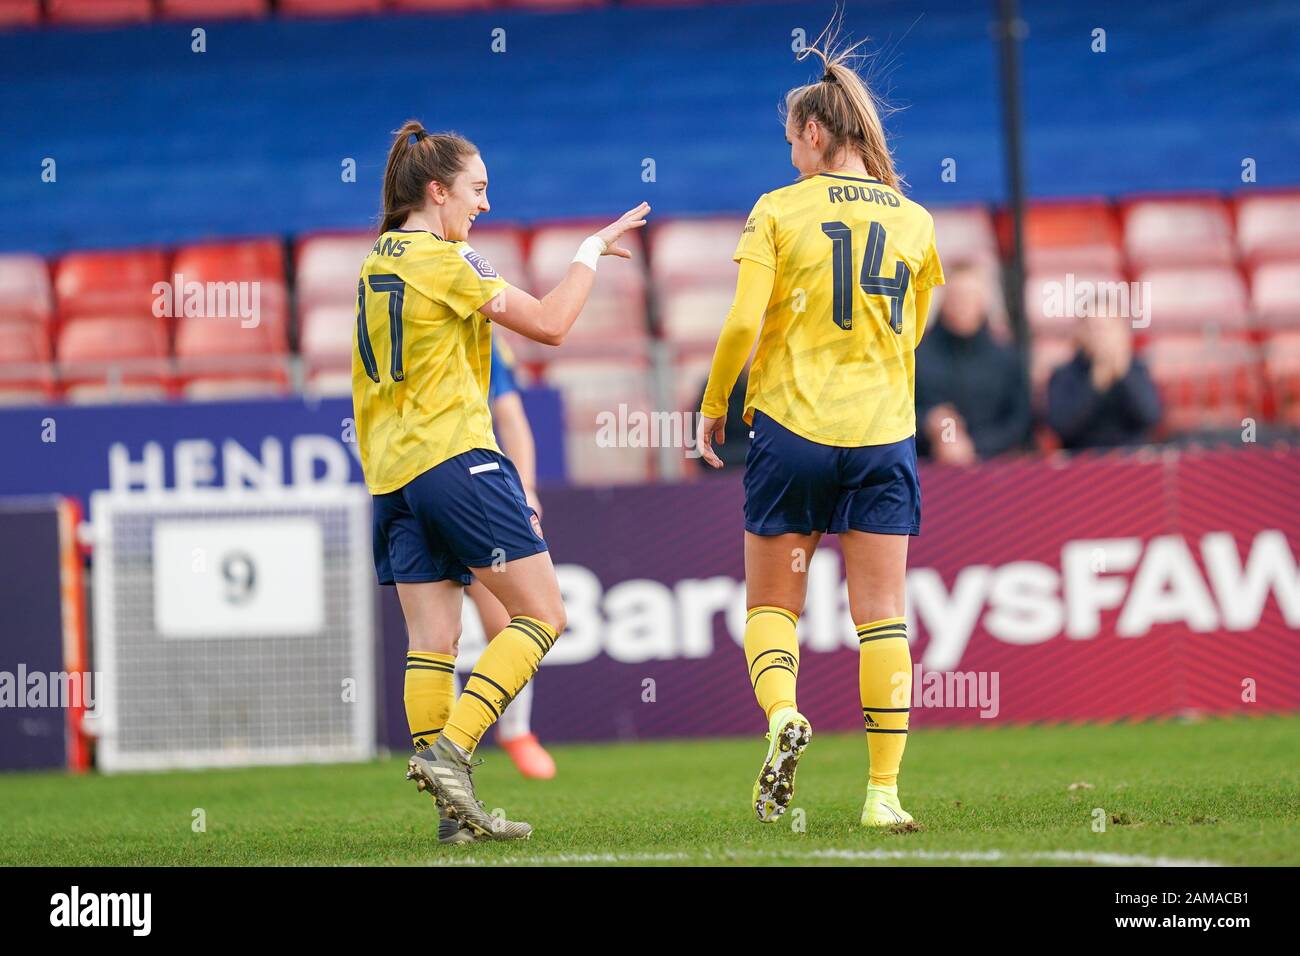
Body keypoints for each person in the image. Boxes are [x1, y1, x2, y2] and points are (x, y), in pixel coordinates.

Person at [354, 119, 648, 842]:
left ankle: (451, 818)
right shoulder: (448, 259)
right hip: (455, 457)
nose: (485, 204)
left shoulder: (374, 263)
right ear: (438, 190)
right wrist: (587, 254)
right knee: (544, 616)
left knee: (433, 641)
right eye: (477, 190)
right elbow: (549, 324)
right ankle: (454, 750)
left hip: (391, 475)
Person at [696, 26, 943, 829]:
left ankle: (783, 717)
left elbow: (740, 325)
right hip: (880, 432)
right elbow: (913, 331)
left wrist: (713, 406)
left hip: (792, 429)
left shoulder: (777, 210)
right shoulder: (914, 221)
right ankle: (883, 796)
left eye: (791, 139)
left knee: (774, 605)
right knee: (884, 615)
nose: (789, 153)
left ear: (812, 132)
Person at [460, 339, 556, 780]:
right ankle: (445, 749)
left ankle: (516, 730)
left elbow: (510, 415)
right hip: (414, 479)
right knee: (435, 637)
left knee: (507, 623)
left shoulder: (480, 337)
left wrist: (527, 487)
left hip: (471, 483)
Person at [914, 261, 1030, 464]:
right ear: (943, 300)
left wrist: (973, 447)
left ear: (983, 301)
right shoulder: (917, 355)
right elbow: (898, 412)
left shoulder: (1006, 358)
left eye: (969, 297)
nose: (962, 305)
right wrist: (929, 422)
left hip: (993, 471)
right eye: (956, 297)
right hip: (927, 470)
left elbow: (1019, 422)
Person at [1046, 311, 1161, 449]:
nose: (1101, 335)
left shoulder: (1136, 370)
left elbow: (1150, 416)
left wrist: (1122, 373)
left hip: (1131, 461)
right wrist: (1094, 384)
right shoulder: (1065, 375)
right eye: (1094, 328)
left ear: (1121, 331)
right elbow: (1062, 426)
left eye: (1107, 327)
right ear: (1081, 333)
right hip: (1082, 463)